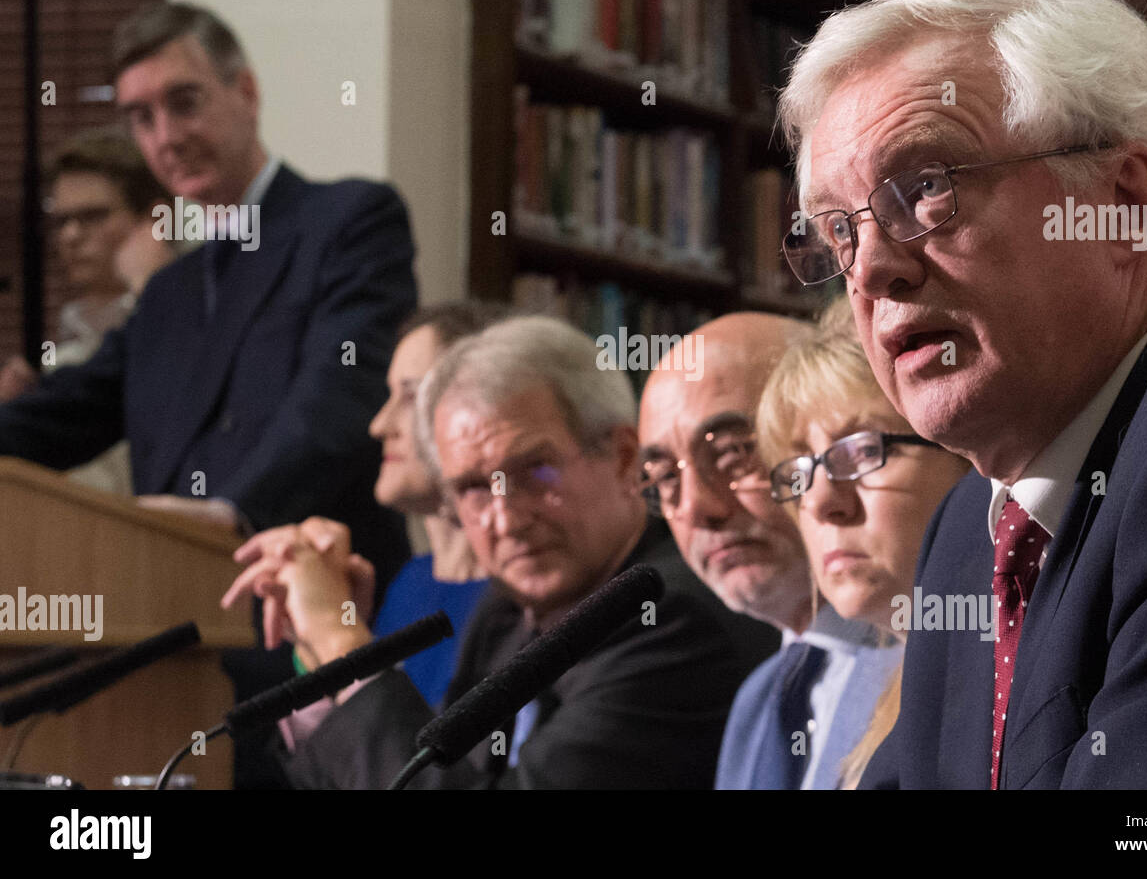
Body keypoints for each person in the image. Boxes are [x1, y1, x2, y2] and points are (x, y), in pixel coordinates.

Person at [777, 0, 1147, 788]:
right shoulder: (965, 532)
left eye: (926, 188)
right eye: (839, 232)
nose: (872, 271)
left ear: (1124, 206)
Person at [0, 2, 417, 787]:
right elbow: (62, 413)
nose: (165, 135)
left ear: (246, 91)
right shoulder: (167, 295)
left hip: (312, 637)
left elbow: (339, 394)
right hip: (171, 644)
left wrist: (232, 513)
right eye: (140, 117)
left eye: (184, 102)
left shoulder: (349, 220)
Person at [225, 315, 775, 789]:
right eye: (472, 488)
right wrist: (319, 653)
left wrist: (341, 642)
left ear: (623, 458)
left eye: (535, 472)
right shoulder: (505, 612)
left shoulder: (670, 618)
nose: (507, 518)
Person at [640, 312, 895, 789]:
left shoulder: (945, 661)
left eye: (735, 453)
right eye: (665, 479)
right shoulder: (754, 705)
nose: (698, 508)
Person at [224, 303, 503, 713]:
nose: (378, 424)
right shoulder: (410, 581)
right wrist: (313, 637)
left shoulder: (524, 595)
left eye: (409, 397)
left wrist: (335, 633)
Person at [755, 296, 970, 787]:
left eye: (862, 450)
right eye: (801, 468)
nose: (823, 501)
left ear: (969, 455)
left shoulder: (1010, 679)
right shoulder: (850, 692)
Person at [0, 129, 173, 496]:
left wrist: (155, 292)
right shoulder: (61, 361)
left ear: (155, 220)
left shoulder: (193, 326)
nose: (71, 235)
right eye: (61, 221)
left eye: (92, 216)